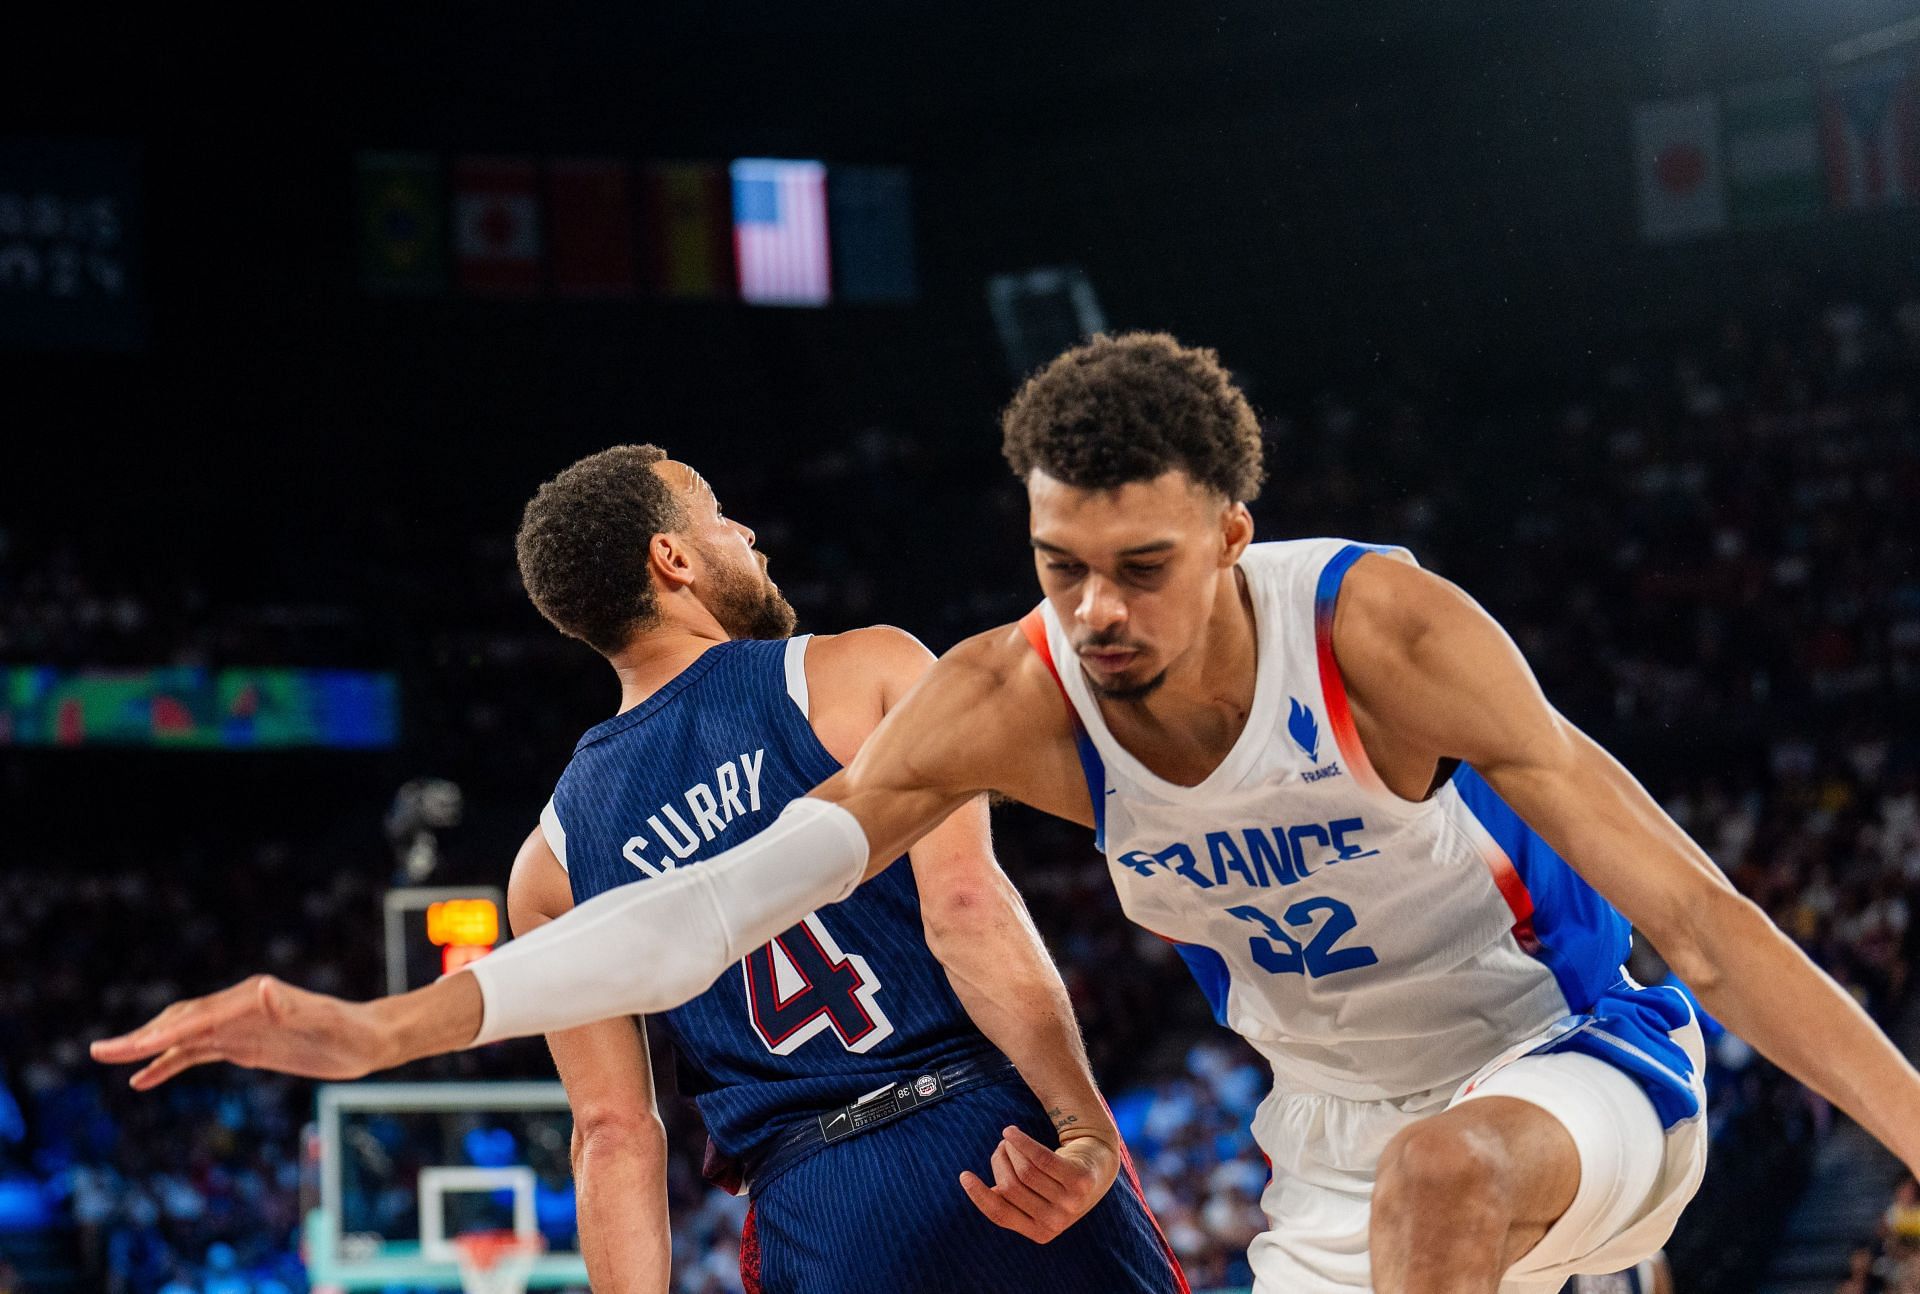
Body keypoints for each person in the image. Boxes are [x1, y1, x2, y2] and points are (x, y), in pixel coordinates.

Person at [96, 334, 1920, 1294]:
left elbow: (1699, 915)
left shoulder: (1382, 624)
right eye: (1062, 566)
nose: (1097, 610)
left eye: (1139, 566)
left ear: (1230, 535)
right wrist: (372, 1024)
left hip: (1573, 1048)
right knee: (1413, 1177)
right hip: (1313, 1139)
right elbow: (710, 917)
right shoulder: (991, 690)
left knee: (1453, 1174)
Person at [497, 446, 1185, 1291]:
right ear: (671, 559)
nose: (745, 531)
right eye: (715, 512)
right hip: (995, 1143)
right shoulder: (866, 673)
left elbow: (612, 1134)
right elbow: (967, 908)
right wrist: (1082, 1128)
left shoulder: (550, 866)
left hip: (815, 1207)